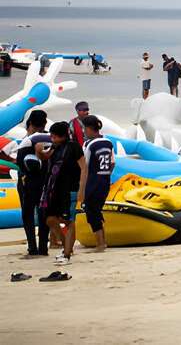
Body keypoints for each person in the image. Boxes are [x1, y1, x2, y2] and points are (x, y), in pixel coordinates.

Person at [37, 121, 85, 265]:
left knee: (69, 222)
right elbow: (45, 157)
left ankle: (67, 254)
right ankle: (66, 248)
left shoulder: (74, 147)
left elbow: (84, 168)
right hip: (53, 190)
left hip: (70, 189)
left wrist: (81, 190)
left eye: (54, 136)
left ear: (62, 135)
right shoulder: (55, 146)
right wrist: (39, 151)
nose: (51, 138)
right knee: (50, 219)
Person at [16, 110, 50, 257]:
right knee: (43, 214)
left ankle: (32, 248)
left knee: (28, 214)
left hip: (27, 181)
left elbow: (20, 163)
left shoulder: (26, 140)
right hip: (46, 182)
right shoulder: (50, 137)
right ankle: (43, 248)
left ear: (29, 123)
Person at [78, 115, 114, 252]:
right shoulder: (108, 142)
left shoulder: (89, 144)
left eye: (84, 128)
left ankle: (100, 244)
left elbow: (84, 167)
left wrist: (82, 188)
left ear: (88, 128)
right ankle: (102, 242)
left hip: (93, 181)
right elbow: (112, 163)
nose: (83, 131)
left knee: (91, 212)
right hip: (104, 181)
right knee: (97, 211)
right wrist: (105, 176)